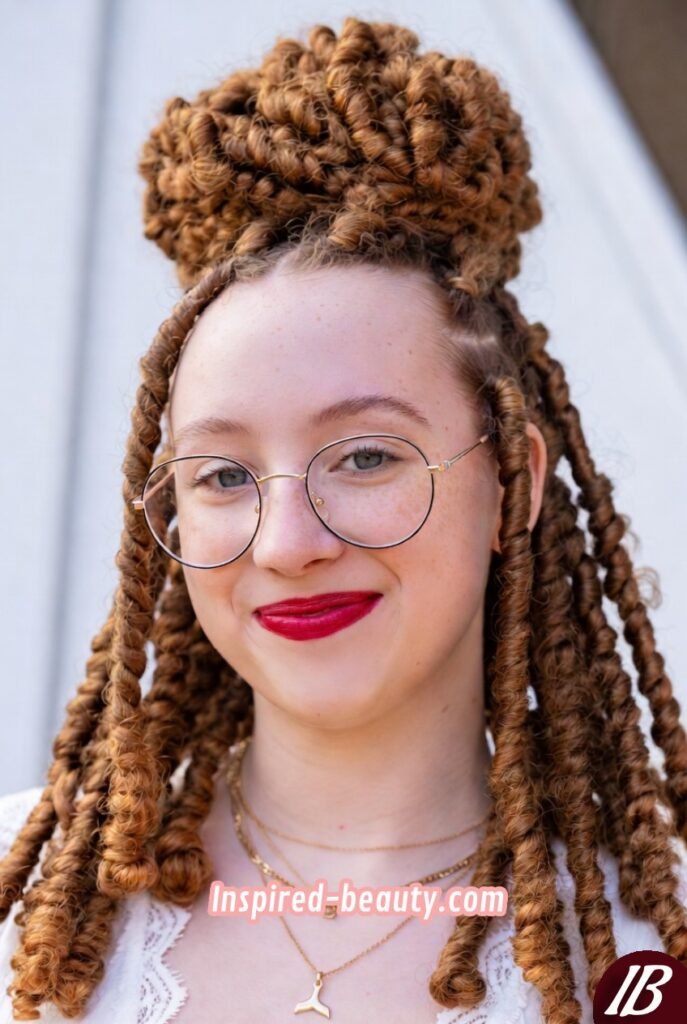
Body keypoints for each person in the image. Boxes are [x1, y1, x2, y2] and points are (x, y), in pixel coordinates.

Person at [1, 15, 686, 1024]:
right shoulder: (29, 916)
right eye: (224, 475)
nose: (287, 544)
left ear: (514, 479)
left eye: (366, 456)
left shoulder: (648, 951)